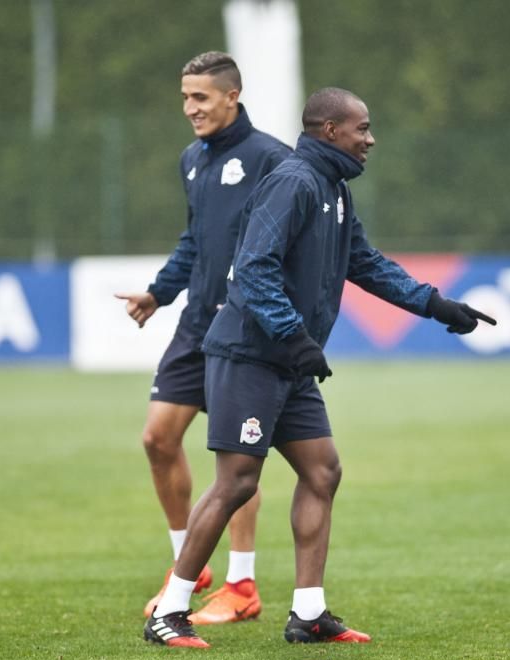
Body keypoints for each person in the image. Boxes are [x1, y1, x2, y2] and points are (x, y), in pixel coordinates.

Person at [142, 87, 496, 648]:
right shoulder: (293, 181)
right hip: (252, 354)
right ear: (330, 130)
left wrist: (435, 305)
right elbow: (252, 268)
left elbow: (365, 263)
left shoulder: (331, 187)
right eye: (363, 128)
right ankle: (170, 612)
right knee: (236, 482)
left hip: (287, 361)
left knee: (322, 471)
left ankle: (308, 614)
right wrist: (293, 337)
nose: (370, 138)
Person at [116, 51, 290, 625]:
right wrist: (157, 293)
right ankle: (188, 563)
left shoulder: (271, 159)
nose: (190, 108)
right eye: (185, 98)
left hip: (245, 325)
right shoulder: (192, 159)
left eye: (201, 98)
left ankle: (241, 584)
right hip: (196, 323)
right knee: (157, 438)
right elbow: (195, 241)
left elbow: (294, 239)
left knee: (235, 460)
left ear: (232, 97)